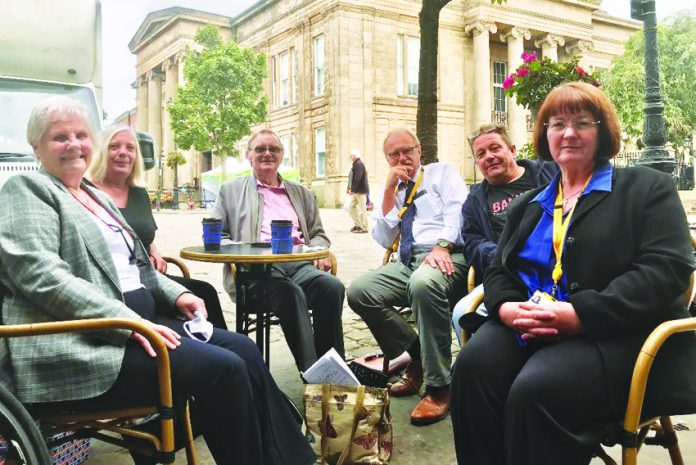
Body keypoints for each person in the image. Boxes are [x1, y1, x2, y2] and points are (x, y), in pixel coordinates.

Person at [0, 97, 315, 465]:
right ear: (36, 146)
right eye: (59, 137)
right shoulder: (27, 189)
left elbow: (140, 264)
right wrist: (129, 322)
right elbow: (41, 276)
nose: (73, 144)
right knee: (223, 370)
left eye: (81, 135)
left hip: (138, 324)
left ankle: (293, 459)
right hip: (84, 338)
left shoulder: (93, 194)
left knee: (243, 350)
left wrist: (178, 292)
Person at [450, 82, 696, 465]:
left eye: (582, 122)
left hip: (617, 333)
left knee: (537, 390)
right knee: (471, 370)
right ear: (544, 134)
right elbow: (500, 268)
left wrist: (581, 314)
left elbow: (667, 270)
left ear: (603, 131)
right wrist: (505, 309)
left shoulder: (646, 188)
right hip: (529, 324)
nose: (568, 132)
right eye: (556, 123)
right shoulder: (529, 205)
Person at [347, 128, 469, 425]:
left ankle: (440, 387)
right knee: (360, 291)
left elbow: (458, 212)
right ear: (387, 159)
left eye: (407, 151)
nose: (402, 158)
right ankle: (418, 356)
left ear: (419, 151)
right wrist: (388, 191)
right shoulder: (396, 187)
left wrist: (442, 245)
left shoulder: (442, 174)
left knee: (423, 284)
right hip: (408, 260)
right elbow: (383, 237)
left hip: (449, 254)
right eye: (394, 154)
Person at [213, 128, 344, 371]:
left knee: (331, 287)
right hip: (255, 272)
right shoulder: (230, 191)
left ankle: (335, 367)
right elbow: (218, 237)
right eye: (260, 149)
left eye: (273, 149)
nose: (267, 154)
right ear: (248, 155)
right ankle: (314, 373)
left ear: (282, 155)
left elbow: (318, 234)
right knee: (289, 293)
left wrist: (319, 251)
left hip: (298, 265)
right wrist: (248, 253)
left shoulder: (301, 193)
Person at [87, 124, 227, 330]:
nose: (123, 153)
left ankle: (213, 343)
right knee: (200, 294)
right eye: (114, 147)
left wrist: (154, 251)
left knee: (206, 292)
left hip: (147, 275)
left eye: (130, 148)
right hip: (116, 282)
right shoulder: (86, 191)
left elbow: (144, 233)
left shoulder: (138, 192)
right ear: (101, 152)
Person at [451, 123, 557, 343]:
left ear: (512, 150)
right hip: (507, 273)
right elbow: (472, 244)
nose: (489, 156)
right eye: (481, 154)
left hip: (557, 265)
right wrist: (503, 255)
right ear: (477, 162)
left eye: (495, 148)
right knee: (461, 312)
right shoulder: (474, 202)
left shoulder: (548, 173)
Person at [347, 149, 369, 233]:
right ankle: (358, 225)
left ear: (355, 156)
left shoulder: (359, 164)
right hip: (357, 191)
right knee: (351, 207)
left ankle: (364, 227)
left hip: (360, 191)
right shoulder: (356, 164)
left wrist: (353, 190)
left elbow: (357, 178)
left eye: (352, 155)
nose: (350, 157)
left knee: (362, 209)